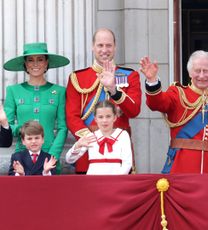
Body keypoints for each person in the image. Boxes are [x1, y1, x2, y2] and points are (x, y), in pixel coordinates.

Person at [140, 50, 208, 174]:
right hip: (180, 169)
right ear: (190, 73)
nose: (202, 75)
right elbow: (157, 103)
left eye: (206, 71)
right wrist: (152, 81)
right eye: (197, 71)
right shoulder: (178, 94)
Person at [66, 28, 141, 173]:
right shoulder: (77, 78)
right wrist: (93, 139)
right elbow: (71, 116)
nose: (104, 50)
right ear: (93, 47)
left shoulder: (129, 75)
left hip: (119, 150)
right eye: (100, 45)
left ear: (115, 47)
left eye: (108, 45)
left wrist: (114, 90)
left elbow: (134, 111)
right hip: (88, 152)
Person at [3, 42, 69, 173]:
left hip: (50, 158)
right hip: (22, 157)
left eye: (40, 59)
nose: (35, 64)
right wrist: (23, 129)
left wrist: (52, 155)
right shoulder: (13, 91)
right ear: (25, 64)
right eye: (30, 60)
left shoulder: (59, 92)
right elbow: (7, 126)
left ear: (46, 63)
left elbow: (63, 127)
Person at [66, 100, 132, 175]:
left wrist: (116, 180)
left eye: (108, 116)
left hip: (116, 181)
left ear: (114, 118)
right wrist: (77, 145)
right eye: (100, 117)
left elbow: (127, 163)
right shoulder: (91, 136)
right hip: (93, 181)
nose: (104, 120)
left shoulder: (122, 135)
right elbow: (69, 159)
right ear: (95, 119)